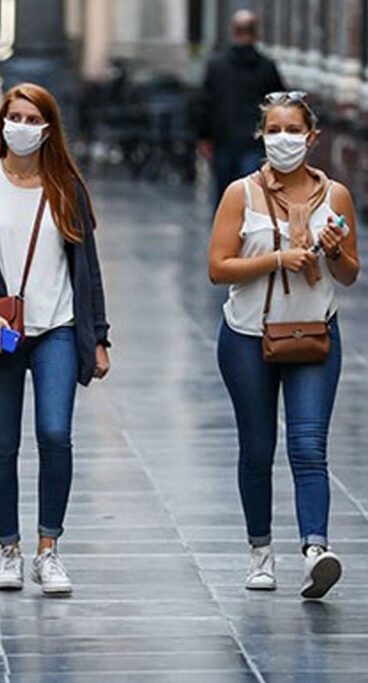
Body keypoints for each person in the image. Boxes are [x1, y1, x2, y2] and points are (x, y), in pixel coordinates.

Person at [0, 83, 111, 595]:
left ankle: (49, 549)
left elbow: (88, 268)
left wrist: (99, 336)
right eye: (12, 116)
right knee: (2, 444)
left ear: (48, 129)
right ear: (1, 124)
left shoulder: (66, 188)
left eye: (31, 118)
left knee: (54, 433)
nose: (20, 126)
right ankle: (9, 549)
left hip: (56, 328)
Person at [208, 92, 358, 599]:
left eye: (294, 130)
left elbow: (350, 273)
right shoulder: (240, 194)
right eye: (274, 130)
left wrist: (333, 254)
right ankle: (260, 553)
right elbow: (218, 267)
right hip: (248, 337)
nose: (284, 140)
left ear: (312, 138)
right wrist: (278, 259)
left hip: (315, 334)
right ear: (261, 136)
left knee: (308, 445)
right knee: (257, 448)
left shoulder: (335, 196)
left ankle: (316, 550)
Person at [197, 10, 284, 201]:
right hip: (254, 140)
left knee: (224, 195)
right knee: (252, 195)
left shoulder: (216, 66)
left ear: (233, 32)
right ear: (256, 34)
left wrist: (204, 136)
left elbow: (205, 103)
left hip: (223, 138)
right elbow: (279, 104)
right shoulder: (267, 67)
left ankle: (224, 229)